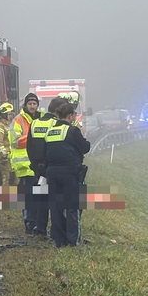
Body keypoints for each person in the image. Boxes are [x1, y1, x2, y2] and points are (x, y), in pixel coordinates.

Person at [44, 100, 91, 247]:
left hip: (52, 173)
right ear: (70, 116)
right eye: (74, 116)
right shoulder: (71, 131)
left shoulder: (50, 131)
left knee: (56, 208)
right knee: (72, 207)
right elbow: (85, 147)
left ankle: (60, 241)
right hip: (69, 173)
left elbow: (44, 153)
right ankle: (73, 241)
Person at [26, 97, 65, 238]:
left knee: (41, 199)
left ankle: (40, 228)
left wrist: (35, 166)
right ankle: (56, 231)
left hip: (38, 168)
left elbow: (29, 146)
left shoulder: (35, 123)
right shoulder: (56, 124)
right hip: (52, 166)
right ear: (58, 110)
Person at [9, 93, 41, 234]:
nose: (32, 106)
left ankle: (39, 225)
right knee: (28, 199)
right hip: (25, 166)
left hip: (40, 166)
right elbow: (15, 141)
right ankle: (29, 225)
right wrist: (33, 137)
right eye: (30, 104)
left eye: (34, 104)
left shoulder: (42, 117)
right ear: (25, 105)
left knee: (40, 197)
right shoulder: (18, 120)